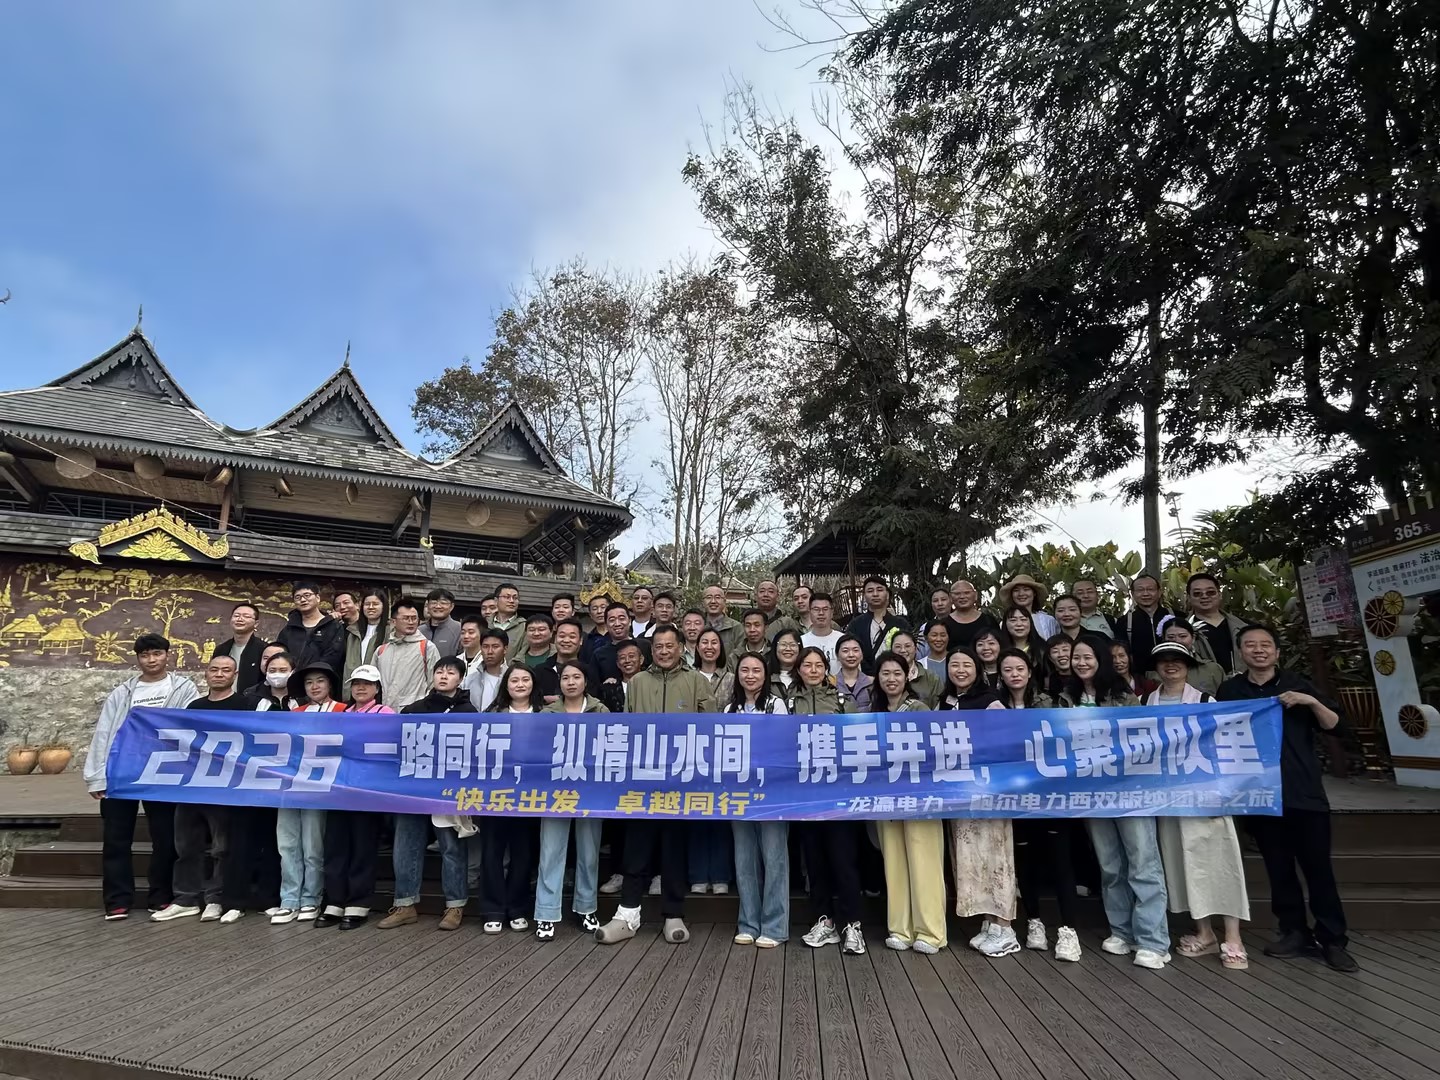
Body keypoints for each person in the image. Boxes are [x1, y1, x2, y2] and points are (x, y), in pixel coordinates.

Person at [1218, 624, 1354, 972]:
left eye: (1265, 645)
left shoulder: (1298, 685)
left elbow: (1336, 726)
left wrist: (1311, 701)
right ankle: (1293, 931)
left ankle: (1333, 939)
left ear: (1277, 652)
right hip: (1259, 794)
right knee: (1278, 869)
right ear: (1241, 653)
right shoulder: (1231, 690)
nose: (1258, 650)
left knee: (1318, 869)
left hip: (1303, 792)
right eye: (1250, 645)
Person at [596, 625, 714, 945]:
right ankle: (627, 914)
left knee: (674, 848)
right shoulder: (637, 682)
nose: (663, 651)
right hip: (643, 781)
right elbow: (628, 727)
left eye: (669, 645)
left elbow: (711, 729)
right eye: (658, 646)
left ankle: (673, 913)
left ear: (681, 648)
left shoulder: (696, 681)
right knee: (637, 846)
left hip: (681, 780)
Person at [1059, 638, 1169, 968]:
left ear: (1101, 660)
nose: (1081, 662)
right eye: (1076, 657)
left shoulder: (1122, 694)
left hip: (1130, 790)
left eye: (1087, 657)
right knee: (1110, 866)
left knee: (1143, 862)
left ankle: (1153, 940)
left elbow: (1141, 738)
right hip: (1091, 793)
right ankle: (1122, 931)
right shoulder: (1066, 697)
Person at [1147, 642, 1250, 970]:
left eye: (1177, 660)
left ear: (1188, 665)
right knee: (1183, 862)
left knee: (1220, 861)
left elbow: (1227, 747)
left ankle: (1233, 936)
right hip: (1167, 796)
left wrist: (1225, 792)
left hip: (1206, 794)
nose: (1170, 666)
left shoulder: (1206, 701)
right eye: (1164, 661)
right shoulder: (1146, 702)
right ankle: (1204, 933)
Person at [87, 633, 198, 921]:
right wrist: (97, 776)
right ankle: (117, 900)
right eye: (145, 655)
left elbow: (190, 726)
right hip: (122, 770)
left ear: (167, 655)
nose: (151, 660)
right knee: (116, 838)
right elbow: (104, 733)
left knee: (165, 837)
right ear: (138, 659)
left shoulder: (183, 689)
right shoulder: (123, 692)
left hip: (162, 771)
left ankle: (161, 896)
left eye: (157, 653)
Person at [995, 648, 1086, 959]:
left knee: (1060, 861)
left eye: (1020, 668)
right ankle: (1034, 921)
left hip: (1051, 794)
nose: (1014, 674)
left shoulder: (1050, 703)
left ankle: (1068, 930)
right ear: (1001, 675)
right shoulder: (994, 708)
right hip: (1013, 796)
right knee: (1026, 861)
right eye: (1008, 670)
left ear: (1030, 672)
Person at [938, 649, 1026, 959]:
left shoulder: (990, 701)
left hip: (989, 792)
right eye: (954, 665)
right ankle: (990, 923)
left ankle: (1006, 927)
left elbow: (1006, 743)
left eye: (967, 665)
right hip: (958, 795)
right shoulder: (945, 702)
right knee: (971, 859)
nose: (960, 670)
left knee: (996, 857)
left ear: (978, 670)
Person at [379, 657, 478, 931]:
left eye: (451, 672)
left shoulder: (469, 712)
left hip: (448, 789)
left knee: (451, 846)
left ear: (460, 679)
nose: (443, 676)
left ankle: (455, 905)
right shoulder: (414, 710)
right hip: (413, 787)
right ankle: (405, 904)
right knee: (406, 845)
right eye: (439, 672)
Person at [155, 654, 249, 924]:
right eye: (214, 669)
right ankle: (185, 898)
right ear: (206, 674)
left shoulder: (244, 706)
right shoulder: (194, 706)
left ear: (235, 675)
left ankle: (215, 898)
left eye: (226, 670)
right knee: (186, 845)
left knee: (221, 847)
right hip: (191, 785)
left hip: (225, 787)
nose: (219, 674)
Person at [873, 650, 946, 953]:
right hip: (885, 798)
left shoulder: (919, 708)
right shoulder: (875, 712)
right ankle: (900, 929)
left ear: (908, 677)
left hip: (920, 797)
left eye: (897, 673)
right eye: (885, 673)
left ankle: (930, 932)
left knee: (924, 860)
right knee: (894, 863)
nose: (891, 679)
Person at [796, 649, 866, 956]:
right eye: (807, 665)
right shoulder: (788, 702)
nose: (813, 670)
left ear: (827, 669)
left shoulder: (841, 701)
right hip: (804, 795)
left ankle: (853, 925)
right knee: (815, 862)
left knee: (844, 861)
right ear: (798, 670)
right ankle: (824, 921)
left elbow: (857, 741)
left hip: (839, 795)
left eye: (818, 665)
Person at [535, 661, 609, 939]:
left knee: (589, 852)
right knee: (551, 851)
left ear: (586, 681)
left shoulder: (600, 711)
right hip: (555, 790)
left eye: (576, 677)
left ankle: (586, 907)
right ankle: (546, 913)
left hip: (591, 789)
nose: (571, 682)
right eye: (565, 677)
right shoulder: (547, 713)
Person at [315, 663, 390, 930]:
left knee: (362, 847)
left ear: (377, 688)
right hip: (339, 789)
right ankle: (334, 901)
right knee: (336, 847)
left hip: (368, 791)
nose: (360, 688)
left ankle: (358, 903)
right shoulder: (341, 714)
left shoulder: (385, 713)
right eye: (357, 683)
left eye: (367, 684)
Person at [272, 661, 345, 924]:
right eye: (308, 682)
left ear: (330, 685)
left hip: (320, 788)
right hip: (290, 785)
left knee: (313, 846)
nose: (314, 686)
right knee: (287, 844)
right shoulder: (295, 713)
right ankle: (289, 899)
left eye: (320, 681)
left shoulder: (343, 710)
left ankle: (311, 898)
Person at [726, 652, 791, 947]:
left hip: (773, 792)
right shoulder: (729, 709)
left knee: (774, 857)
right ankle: (748, 923)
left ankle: (774, 927)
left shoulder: (776, 705)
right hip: (739, 793)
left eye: (756, 670)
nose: (750, 675)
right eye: (745, 670)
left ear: (766, 675)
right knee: (744, 859)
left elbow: (783, 746)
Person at [480, 665, 540, 934]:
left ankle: (517, 908)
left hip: (531, 795)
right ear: (506, 685)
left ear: (533, 684)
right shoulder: (492, 715)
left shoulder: (545, 715)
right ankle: (492, 909)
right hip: (496, 793)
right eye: (514, 680)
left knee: (523, 853)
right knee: (491, 852)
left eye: (525, 679)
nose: (520, 684)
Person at [375, 597, 438, 709]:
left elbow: (434, 684)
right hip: (385, 711)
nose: (411, 622)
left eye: (414, 618)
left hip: (414, 712)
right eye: (406, 618)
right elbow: (373, 684)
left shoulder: (427, 648)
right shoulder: (381, 651)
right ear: (393, 621)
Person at [276, 580, 345, 672]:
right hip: (292, 677)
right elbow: (281, 654)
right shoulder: (289, 628)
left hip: (321, 676)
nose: (303, 600)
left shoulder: (333, 626)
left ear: (318, 597)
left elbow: (333, 656)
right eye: (298, 597)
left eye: (307, 595)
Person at [1186, 572, 1248, 675]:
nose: (1204, 596)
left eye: (1210, 592)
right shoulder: (1181, 631)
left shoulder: (1243, 627)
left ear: (1219, 595)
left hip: (1240, 682)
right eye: (1197, 593)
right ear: (1189, 598)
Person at [845, 576, 910, 673]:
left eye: (879, 590)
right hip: (865, 677)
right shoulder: (856, 624)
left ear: (887, 594)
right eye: (870, 591)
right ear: (864, 596)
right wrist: (869, 676)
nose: (875, 594)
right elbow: (851, 652)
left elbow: (909, 651)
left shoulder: (901, 623)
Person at [1155, 617, 1226, 695]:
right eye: (1171, 637)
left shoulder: (1213, 669)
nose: (1177, 641)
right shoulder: (1154, 672)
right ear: (1163, 639)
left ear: (1193, 638)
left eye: (1183, 636)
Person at [1120, 572, 1171, 675]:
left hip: (1174, 673)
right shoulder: (1124, 622)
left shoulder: (1175, 617)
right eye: (1140, 590)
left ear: (1159, 592)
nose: (1145, 594)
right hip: (1140, 678)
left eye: (1150, 589)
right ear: (1132, 593)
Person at [215, 602, 267, 692]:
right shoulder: (221, 649)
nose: (240, 619)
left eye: (246, 616)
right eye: (236, 616)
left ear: (256, 623)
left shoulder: (263, 649)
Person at [343, 589, 388, 686]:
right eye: (367, 604)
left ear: (384, 606)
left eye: (375, 604)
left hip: (380, 687)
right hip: (355, 688)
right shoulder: (353, 632)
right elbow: (347, 668)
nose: (371, 607)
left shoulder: (391, 632)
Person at [888, 630, 941, 707]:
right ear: (891, 650)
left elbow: (939, 709)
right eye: (898, 646)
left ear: (915, 649)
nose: (903, 650)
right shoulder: (885, 678)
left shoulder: (931, 678)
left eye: (907, 646)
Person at [998, 574, 1058, 639]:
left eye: (1026, 589)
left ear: (1034, 593)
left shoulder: (1048, 621)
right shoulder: (1005, 623)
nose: (1021, 594)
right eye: (1016, 590)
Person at [592, 602, 640, 683]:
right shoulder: (599, 654)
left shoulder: (643, 645)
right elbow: (594, 684)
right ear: (606, 625)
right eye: (612, 620)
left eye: (621, 618)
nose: (617, 624)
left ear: (630, 621)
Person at [944, 580, 998, 651]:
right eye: (957, 594)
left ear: (975, 595)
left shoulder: (989, 621)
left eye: (967, 593)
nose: (962, 597)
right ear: (950, 597)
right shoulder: (944, 624)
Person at [463, 627, 508, 710]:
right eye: (485, 646)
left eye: (495, 646)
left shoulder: (511, 679)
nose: (490, 651)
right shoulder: (469, 681)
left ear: (505, 649)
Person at [598, 638, 647, 714]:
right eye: (622, 658)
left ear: (641, 659)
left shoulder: (652, 685)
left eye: (631, 656)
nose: (627, 661)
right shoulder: (609, 689)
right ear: (618, 663)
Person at [801, 592, 845, 673]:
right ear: (810, 612)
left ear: (832, 612)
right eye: (816, 609)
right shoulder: (802, 641)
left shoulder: (843, 640)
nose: (821, 613)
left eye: (825, 609)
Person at [692, 627, 733, 707]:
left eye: (714, 643)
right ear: (697, 648)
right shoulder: (689, 678)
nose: (709, 647)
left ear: (720, 647)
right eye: (705, 642)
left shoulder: (731, 680)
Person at [999, 606, 1049, 672]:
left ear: (1030, 623)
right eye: (1013, 620)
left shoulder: (1043, 649)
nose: (1019, 624)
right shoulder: (999, 650)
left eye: (1023, 619)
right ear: (1005, 624)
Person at [834, 634, 873, 710]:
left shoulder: (872, 683)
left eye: (855, 650)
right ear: (837, 655)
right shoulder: (830, 683)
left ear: (862, 654)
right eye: (845, 651)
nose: (851, 655)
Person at [420, 587, 462, 657]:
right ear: (428, 605)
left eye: (443, 603)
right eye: (433, 603)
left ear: (451, 606)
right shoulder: (419, 630)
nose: (438, 606)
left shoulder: (459, 629)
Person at [702, 585, 744, 654]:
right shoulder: (698, 626)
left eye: (717, 597)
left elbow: (741, 653)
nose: (713, 601)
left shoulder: (736, 627)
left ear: (724, 601)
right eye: (709, 597)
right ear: (703, 602)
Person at [490, 582, 526, 657]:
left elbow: (523, 653)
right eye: (507, 597)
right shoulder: (485, 624)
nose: (512, 601)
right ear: (496, 601)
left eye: (515, 598)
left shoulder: (524, 626)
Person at [768, 628, 803, 700]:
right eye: (783, 644)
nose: (788, 649)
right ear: (775, 647)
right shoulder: (764, 677)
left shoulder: (806, 677)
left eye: (793, 645)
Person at [1044, 634, 1074, 700]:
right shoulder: (1047, 682)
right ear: (1050, 658)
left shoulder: (1084, 678)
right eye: (1055, 651)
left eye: (1065, 650)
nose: (1061, 655)